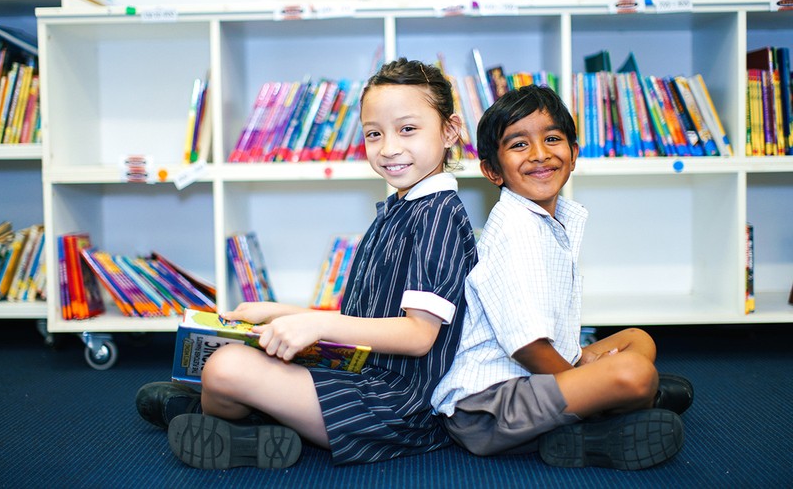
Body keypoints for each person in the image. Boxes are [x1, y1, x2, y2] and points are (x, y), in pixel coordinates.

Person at [135, 58, 478, 470]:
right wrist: (285, 312)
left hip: (396, 406)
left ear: (450, 131)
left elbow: (419, 335)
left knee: (225, 368)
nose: (388, 148)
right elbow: (363, 318)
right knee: (232, 357)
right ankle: (241, 415)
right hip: (361, 370)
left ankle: (237, 421)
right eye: (374, 134)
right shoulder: (401, 208)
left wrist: (316, 324)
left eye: (407, 129)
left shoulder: (437, 214)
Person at [431, 84, 693, 471]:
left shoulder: (549, 221)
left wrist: (584, 376)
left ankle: (606, 405)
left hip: (528, 383)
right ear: (492, 170)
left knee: (639, 339)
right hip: (487, 408)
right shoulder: (515, 232)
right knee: (634, 373)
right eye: (519, 144)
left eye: (552, 138)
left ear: (573, 154)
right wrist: (582, 380)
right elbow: (527, 346)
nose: (540, 154)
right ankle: (607, 413)